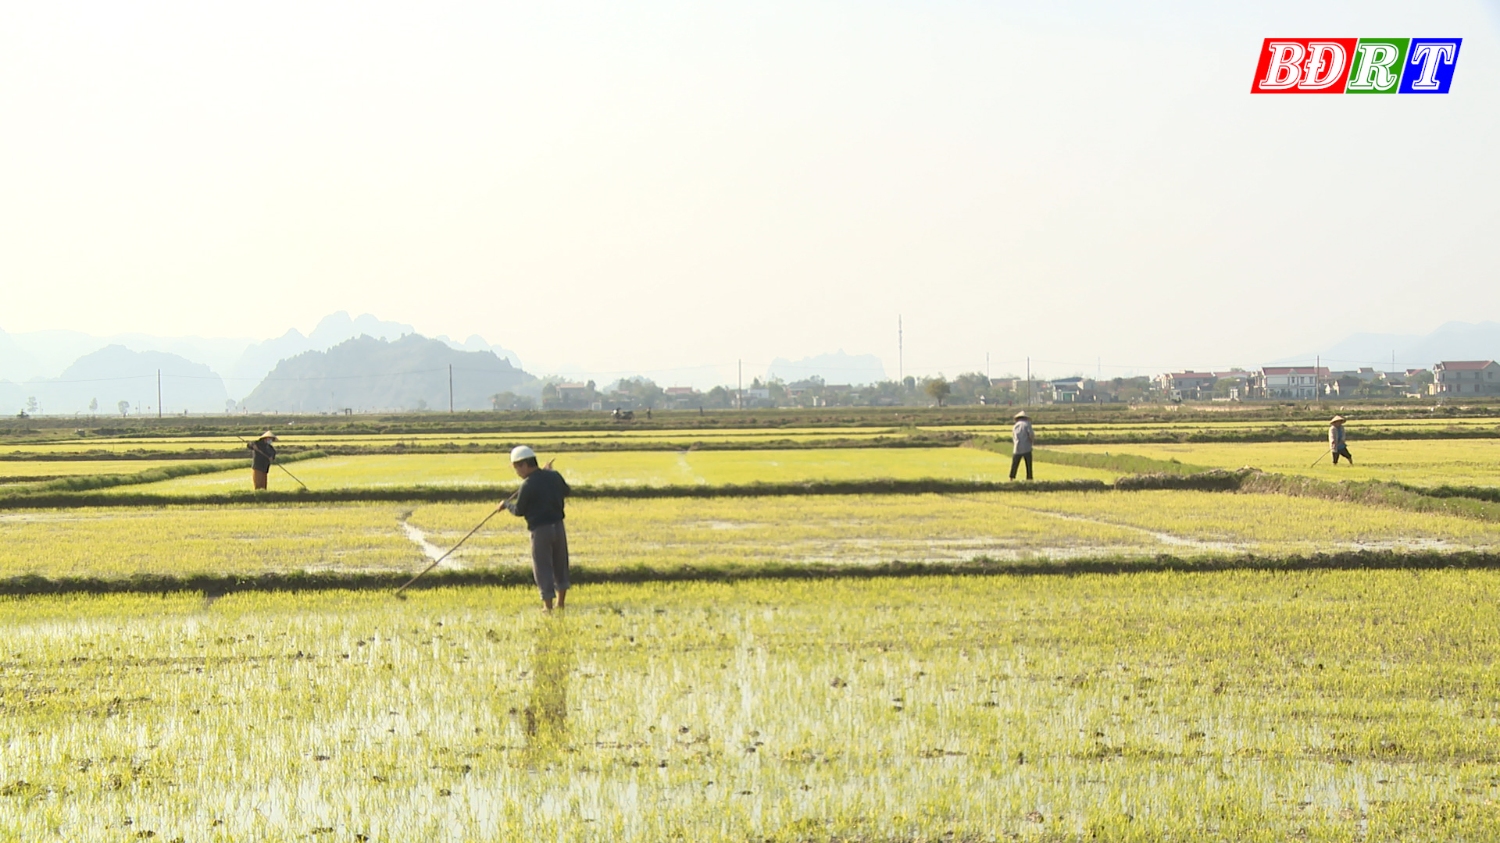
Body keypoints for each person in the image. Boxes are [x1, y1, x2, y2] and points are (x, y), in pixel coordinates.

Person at [501, 445, 571, 611]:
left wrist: (506, 505)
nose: (517, 472)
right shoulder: (553, 476)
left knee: (543, 567)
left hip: (541, 531)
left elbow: (519, 511)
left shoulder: (527, 485)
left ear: (524, 465)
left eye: (517, 468)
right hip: (558, 528)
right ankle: (560, 603)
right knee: (560, 564)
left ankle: (547, 607)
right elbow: (566, 491)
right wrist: (548, 475)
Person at [1010, 412, 1034, 480]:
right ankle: (1029, 479)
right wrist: (1031, 442)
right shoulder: (1027, 424)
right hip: (1026, 447)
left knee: (1015, 464)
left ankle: (1011, 478)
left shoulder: (1015, 426)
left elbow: (1013, 437)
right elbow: (1031, 435)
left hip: (1017, 447)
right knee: (1028, 465)